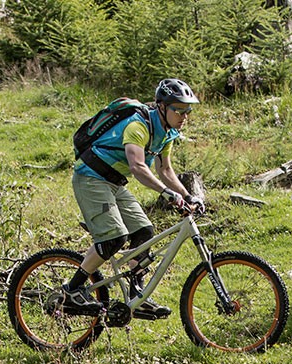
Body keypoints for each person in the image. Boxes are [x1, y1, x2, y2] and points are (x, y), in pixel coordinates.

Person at [62, 78, 204, 318]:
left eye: (187, 110)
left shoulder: (167, 134)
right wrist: (166, 193)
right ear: (162, 106)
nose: (184, 116)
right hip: (91, 178)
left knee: (143, 232)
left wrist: (188, 195)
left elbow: (166, 170)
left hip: (114, 183)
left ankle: (136, 295)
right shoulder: (138, 126)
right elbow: (137, 167)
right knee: (114, 238)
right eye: (178, 109)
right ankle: (72, 290)